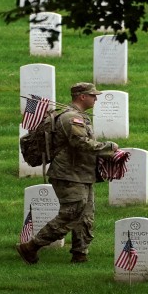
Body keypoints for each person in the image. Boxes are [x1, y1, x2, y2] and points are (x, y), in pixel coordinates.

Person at [17, 82, 119, 264]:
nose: (96, 98)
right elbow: (80, 142)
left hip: (82, 173)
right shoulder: (71, 118)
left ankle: (80, 254)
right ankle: (31, 246)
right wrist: (109, 148)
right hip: (68, 174)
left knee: (86, 216)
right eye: (93, 95)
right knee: (71, 213)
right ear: (82, 97)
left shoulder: (79, 116)